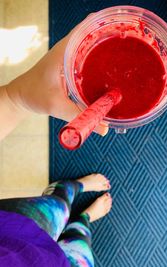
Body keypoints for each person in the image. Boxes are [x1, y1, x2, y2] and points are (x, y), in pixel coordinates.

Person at [0, 18, 112, 267]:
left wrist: (16, 97)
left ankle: (73, 187)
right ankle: (83, 218)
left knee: (57, 205)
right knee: (80, 244)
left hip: (12, 236)